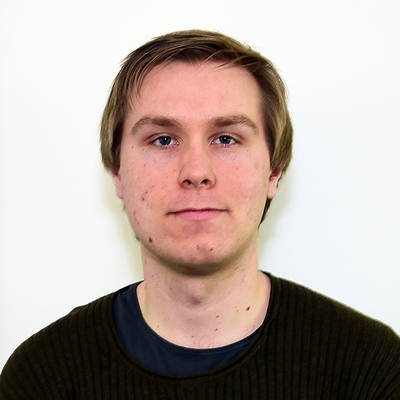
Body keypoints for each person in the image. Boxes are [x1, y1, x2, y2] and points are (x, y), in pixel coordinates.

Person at [1, 29, 399, 399]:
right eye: (163, 140)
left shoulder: (369, 369)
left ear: (273, 173)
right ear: (118, 172)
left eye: (226, 138)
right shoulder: (42, 377)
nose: (196, 171)